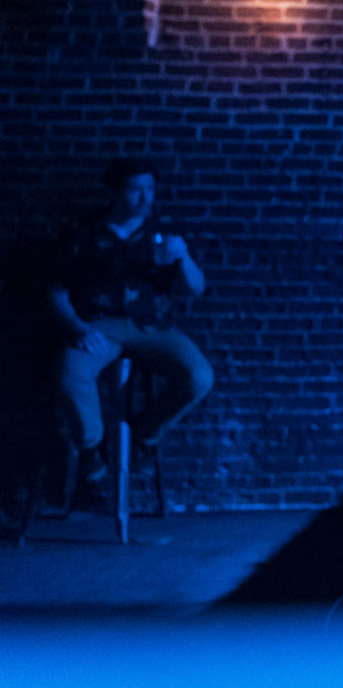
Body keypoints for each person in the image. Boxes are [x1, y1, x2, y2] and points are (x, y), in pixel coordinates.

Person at [49, 159, 213, 504]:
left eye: (150, 188)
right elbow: (56, 291)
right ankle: (92, 455)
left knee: (198, 376)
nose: (145, 197)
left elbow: (194, 290)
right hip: (99, 323)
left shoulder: (160, 232)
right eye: (136, 189)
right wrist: (78, 328)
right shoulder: (84, 231)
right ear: (115, 191)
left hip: (152, 325)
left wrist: (183, 258)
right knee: (70, 373)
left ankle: (143, 436)